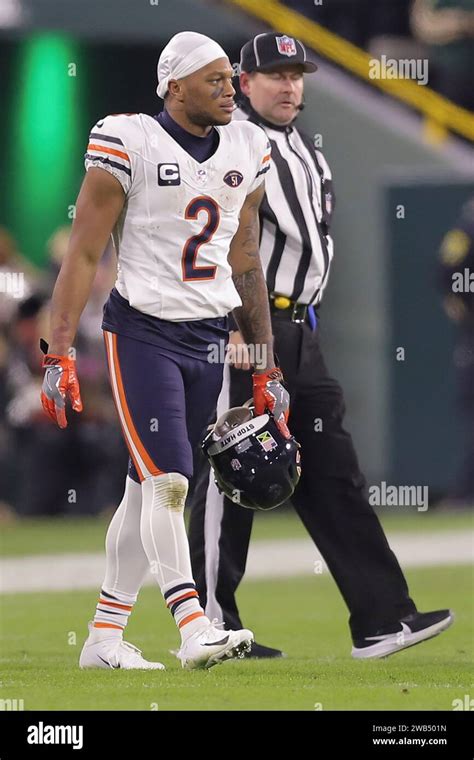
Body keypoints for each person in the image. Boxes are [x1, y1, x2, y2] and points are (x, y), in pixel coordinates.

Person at [188, 32, 454, 660]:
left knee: (332, 472)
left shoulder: (308, 151)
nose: (289, 86)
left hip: (301, 329)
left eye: (296, 75)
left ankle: (383, 618)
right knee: (235, 472)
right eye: (274, 75)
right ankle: (209, 625)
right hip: (246, 330)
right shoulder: (233, 144)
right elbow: (225, 247)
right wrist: (234, 328)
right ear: (243, 84)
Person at [40, 31, 290, 671]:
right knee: (170, 481)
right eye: (214, 81)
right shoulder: (130, 139)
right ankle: (193, 625)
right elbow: (85, 252)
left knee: (141, 489)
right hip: (142, 331)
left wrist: (265, 365)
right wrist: (59, 350)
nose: (230, 89)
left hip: (207, 337)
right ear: (174, 87)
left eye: (230, 78)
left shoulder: (246, 146)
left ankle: (103, 639)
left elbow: (245, 262)